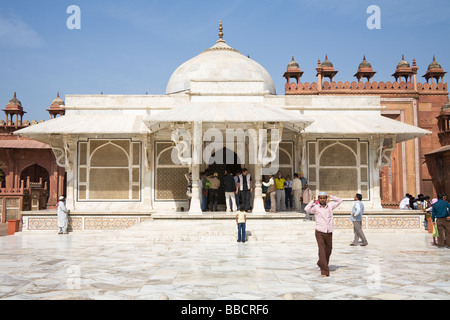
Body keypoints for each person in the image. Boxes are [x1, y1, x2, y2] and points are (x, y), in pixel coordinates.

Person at [305, 192, 342, 277]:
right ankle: (324, 271)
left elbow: (340, 200)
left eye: (324, 198)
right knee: (321, 250)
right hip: (319, 232)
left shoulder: (330, 206)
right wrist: (312, 201)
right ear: (318, 199)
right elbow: (307, 208)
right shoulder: (315, 208)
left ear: (326, 199)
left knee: (328, 250)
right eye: (320, 198)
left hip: (329, 231)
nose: (322, 200)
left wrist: (331, 196)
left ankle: (321, 263)